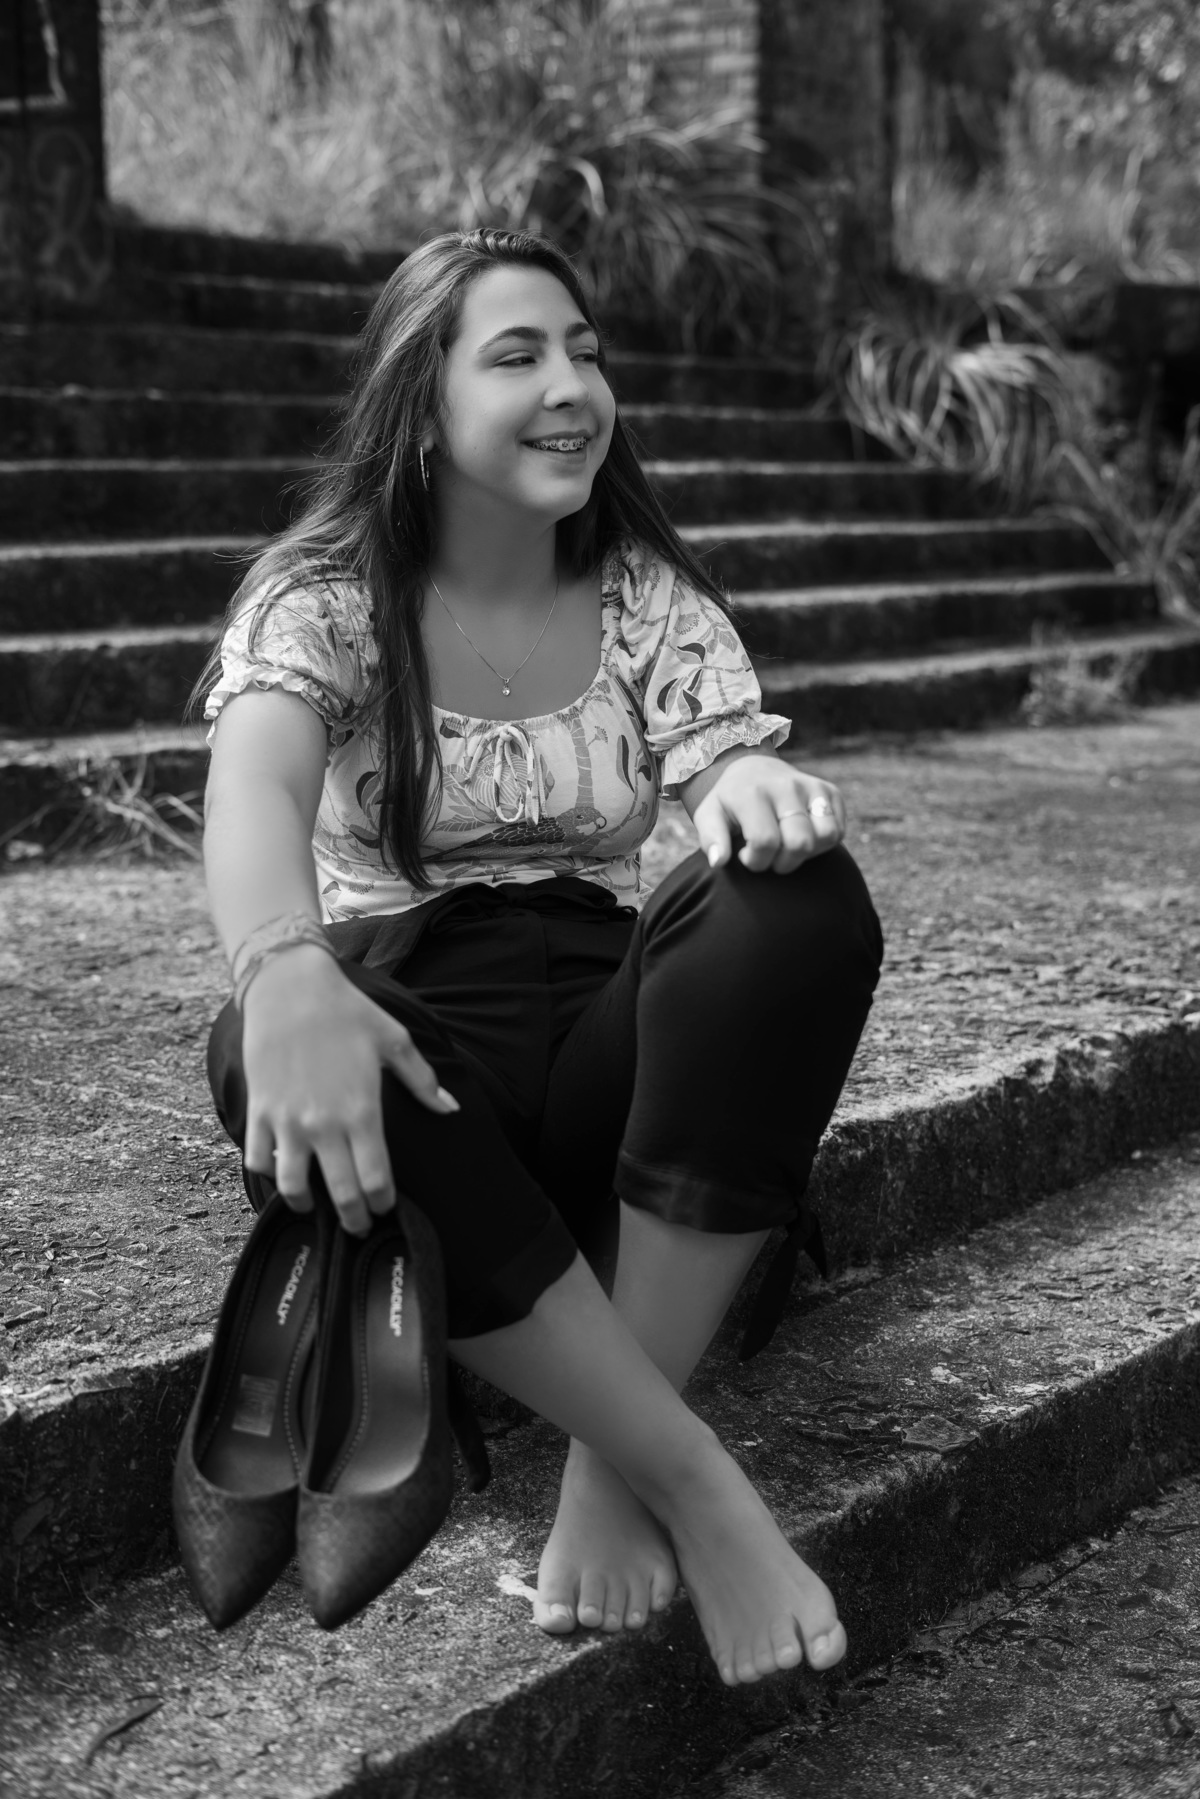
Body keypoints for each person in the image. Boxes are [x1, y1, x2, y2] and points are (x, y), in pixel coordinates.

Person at [196, 227, 883, 1686]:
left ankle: (608, 1469)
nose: (573, 386)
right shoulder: (325, 594)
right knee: (265, 1033)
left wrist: (749, 788)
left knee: (798, 905)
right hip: (427, 1074)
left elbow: (720, 758)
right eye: (518, 356)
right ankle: (692, 1475)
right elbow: (251, 788)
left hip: (615, 1083)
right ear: (419, 402)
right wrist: (285, 968)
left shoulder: (642, 594)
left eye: (586, 351)